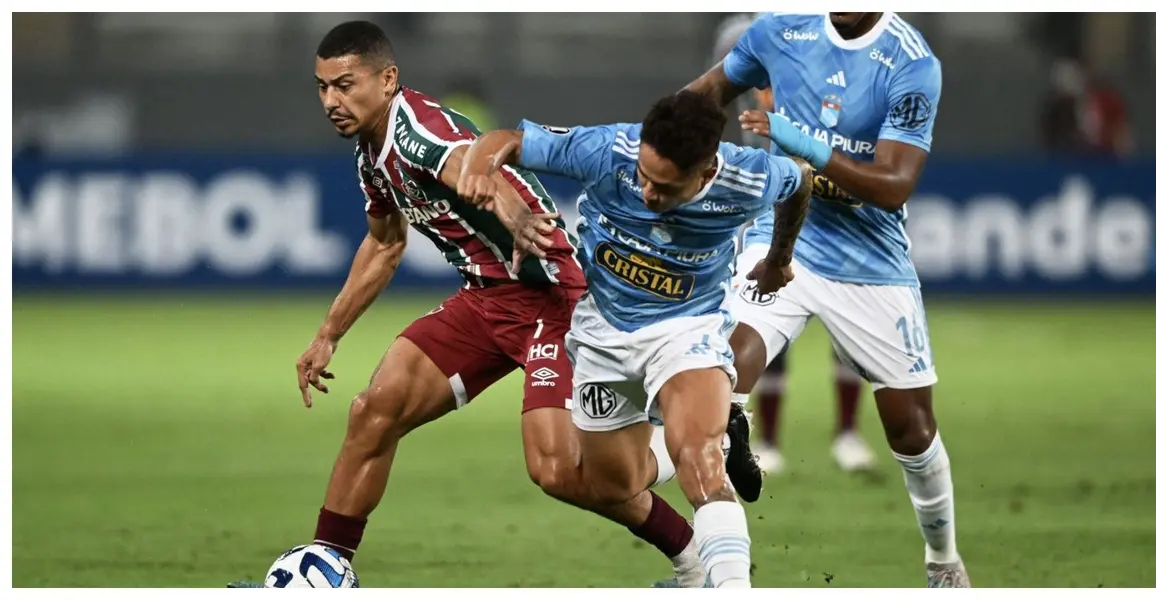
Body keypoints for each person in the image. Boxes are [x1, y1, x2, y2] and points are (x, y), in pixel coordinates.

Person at [230, 20, 756, 588]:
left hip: (554, 296)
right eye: (323, 87)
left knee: (558, 471)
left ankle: (695, 543)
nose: (332, 100)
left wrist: (513, 212)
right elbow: (385, 244)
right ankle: (328, 566)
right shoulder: (370, 156)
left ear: (387, 80)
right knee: (373, 411)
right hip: (486, 299)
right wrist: (329, 333)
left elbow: (468, 163)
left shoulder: (415, 128)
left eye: (345, 84)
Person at [457, 90, 815, 588]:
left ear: (707, 172)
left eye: (666, 188)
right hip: (601, 334)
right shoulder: (608, 150)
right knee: (614, 484)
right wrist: (478, 164)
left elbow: (801, 179)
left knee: (701, 464)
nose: (648, 193)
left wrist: (779, 258)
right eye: (645, 177)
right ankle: (718, 431)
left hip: (685, 330)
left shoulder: (748, 176)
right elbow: (506, 142)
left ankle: (730, 582)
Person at [686, 12, 970, 587]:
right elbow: (704, 94)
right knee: (723, 368)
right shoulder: (777, 33)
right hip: (783, 236)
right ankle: (708, 562)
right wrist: (663, 150)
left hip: (870, 261)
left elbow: (892, 186)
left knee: (911, 430)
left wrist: (802, 144)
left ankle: (943, 561)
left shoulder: (911, 63)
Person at [710, 13, 877, 475]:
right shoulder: (739, 31)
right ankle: (762, 439)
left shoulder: (837, 26)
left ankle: (848, 434)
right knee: (763, 310)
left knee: (848, 320)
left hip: (835, 184)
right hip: (769, 181)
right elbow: (722, 99)